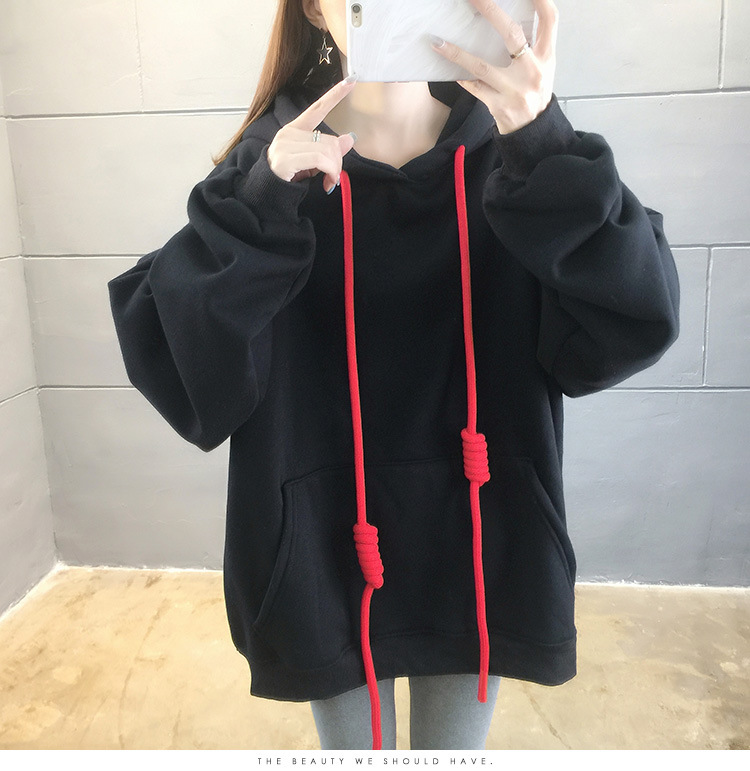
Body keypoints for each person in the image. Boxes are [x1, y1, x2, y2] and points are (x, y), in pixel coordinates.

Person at [107, 0, 680, 752]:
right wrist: (260, 208)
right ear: (314, 10)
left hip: (482, 537)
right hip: (318, 548)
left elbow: (636, 316)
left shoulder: (520, 157)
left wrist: (545, 144)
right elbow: (175, 359)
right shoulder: (272, 168)